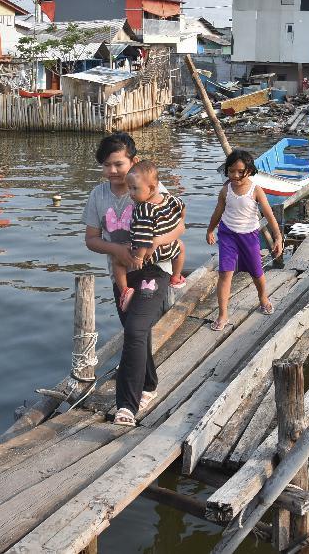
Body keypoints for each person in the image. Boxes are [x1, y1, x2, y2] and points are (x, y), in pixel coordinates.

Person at [82, 133, 184, 427]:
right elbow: (91, 239)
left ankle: (126, 404)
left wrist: (152, 245)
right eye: (106, 166)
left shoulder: (149, 186)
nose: (112, 172)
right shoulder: (98, 195)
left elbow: (180, 226)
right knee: (136, 330)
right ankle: (149, 385)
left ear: (133, 162)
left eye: (118, 164)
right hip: (122, 274)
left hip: (155, 270)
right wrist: (116, 249)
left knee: (136, 329)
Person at [205, 150, 284, 331]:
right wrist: (210, 230)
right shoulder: (226, 190)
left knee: (256, 271)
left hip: (249, 235)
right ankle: (222, 314)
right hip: (228, 234)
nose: (236, 175)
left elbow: (269, 215)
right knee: (225, 273)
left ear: (249, 170)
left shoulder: (256, 190)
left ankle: (263, 297)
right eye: (232, 171)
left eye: (240, 171)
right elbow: (218, 211)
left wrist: (278, 237)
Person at [113, 160, 186, 311]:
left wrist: (139, 257)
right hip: (170, 248)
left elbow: (143, 237)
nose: (130, 193)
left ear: (151, 188)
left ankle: (125, 291)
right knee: (181, 246)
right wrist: (177, 221)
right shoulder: (170, 199)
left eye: (134, 189)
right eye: (130, 188)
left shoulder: (144, 209)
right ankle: (176, 277)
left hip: (149, 253)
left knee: (117, 260)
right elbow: (182, 209)